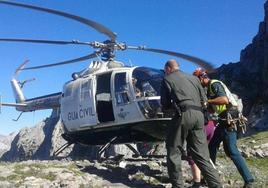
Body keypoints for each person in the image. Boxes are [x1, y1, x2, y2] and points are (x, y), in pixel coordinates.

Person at [160, 59, 222, 188]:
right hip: (199, 117)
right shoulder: (194, 79)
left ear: (168, 69)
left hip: (182, 115)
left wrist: (173, 107)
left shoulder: (167, 79)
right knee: (202, 155)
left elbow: (165, 104)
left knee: (174, 151)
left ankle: (178, 186)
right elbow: (204, 100)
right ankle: (216, 185)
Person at [193, 68, 254, 188]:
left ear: (201, 78)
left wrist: (207, 101)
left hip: (229, 119)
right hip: (224, 120)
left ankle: (249, 180)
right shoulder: (209, 88)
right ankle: (210, 176)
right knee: (212, 146)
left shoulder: (214, 84)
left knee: (232, 150)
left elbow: (224, 99)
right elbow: (214, 107)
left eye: (197, 80)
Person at [187, 120, 216, 188]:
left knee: (192, 154)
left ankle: (197, 183)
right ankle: (210, 180)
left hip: (200, 127)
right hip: (211, 125)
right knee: (204, 153)